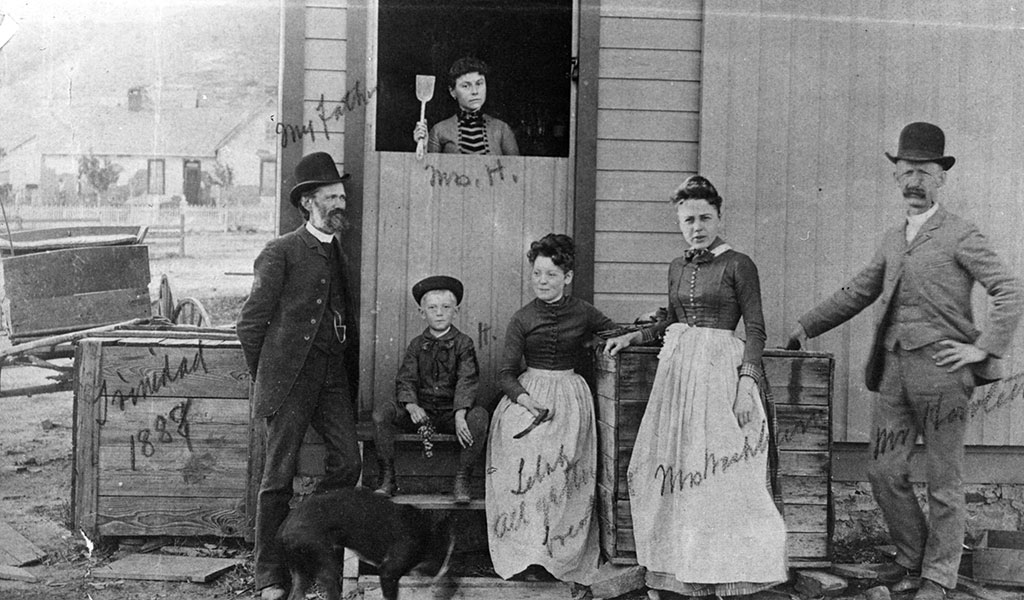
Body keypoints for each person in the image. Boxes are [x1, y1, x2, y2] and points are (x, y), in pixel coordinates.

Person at [787, 122, 1024, 600]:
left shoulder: (959, 233)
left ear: (941, 178)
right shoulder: (893, 239)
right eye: (905, 171)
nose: (914, 181)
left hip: (943, 376)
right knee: (882, 469)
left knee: (944, 478)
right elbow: (858, 290)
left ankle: (938, 575)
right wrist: (805, 326)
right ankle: (910, 556)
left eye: (924, 171)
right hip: (893, 374)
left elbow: (1009, 288)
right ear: (896, 177)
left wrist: (985, 349)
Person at [604, 175, 787, 598]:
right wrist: (633, 337)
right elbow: (672, 320)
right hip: (679, 376)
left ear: (719, 216)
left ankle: (727, 573)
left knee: (720, 472)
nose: (697, 227)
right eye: (688, 219)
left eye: (705, 217)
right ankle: (680, 570)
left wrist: (746, 383)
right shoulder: (676, 266)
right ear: (679, 223)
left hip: (721, 371)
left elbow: (756, 329)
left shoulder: (739, 264)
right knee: (678, 469)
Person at [236, 151, 362, 600]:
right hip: (289, 380)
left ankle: (303, 532)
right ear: (308, 202)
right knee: (277, 478)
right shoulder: (282, 251)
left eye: (342, 195)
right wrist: (267, 375)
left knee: (349, 462)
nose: (339, 203)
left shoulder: (338, 252)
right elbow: (250, 323)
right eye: (330, 196)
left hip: (332, 379)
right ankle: (269, 574)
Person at [486, 233, 614, 590]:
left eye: (551, 275)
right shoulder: (523, 318)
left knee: (563, 473)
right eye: (537, 274)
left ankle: (558, 555)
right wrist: (527, 401)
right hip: (529, 397)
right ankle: (527, 555)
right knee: (526, 464)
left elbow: (614, 332)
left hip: (571, 396)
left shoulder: (584, 312)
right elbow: (504, 374)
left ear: (567, 277)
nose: (542, 281)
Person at [371, 275, 489, 503]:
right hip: (421, 412)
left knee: (480, 417)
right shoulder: (416, 344)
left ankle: (463, 478)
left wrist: (460, 413)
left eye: (446, 307)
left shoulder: (464, 344)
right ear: (421, 312)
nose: (439, 313)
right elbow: (405, 378)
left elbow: (467, 379)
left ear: (456, 311)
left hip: (450, 414)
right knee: (380, 415)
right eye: (432, 307)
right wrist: (412, 405)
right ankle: (388, 476)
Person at [412, 56, 519, 155]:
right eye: (466, 86)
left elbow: (516, 171)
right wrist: (423, 146)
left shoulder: (501, 129)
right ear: (452, 91)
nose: (475, 91)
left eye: (479, 83)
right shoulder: (439, 131)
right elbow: (429, 170)